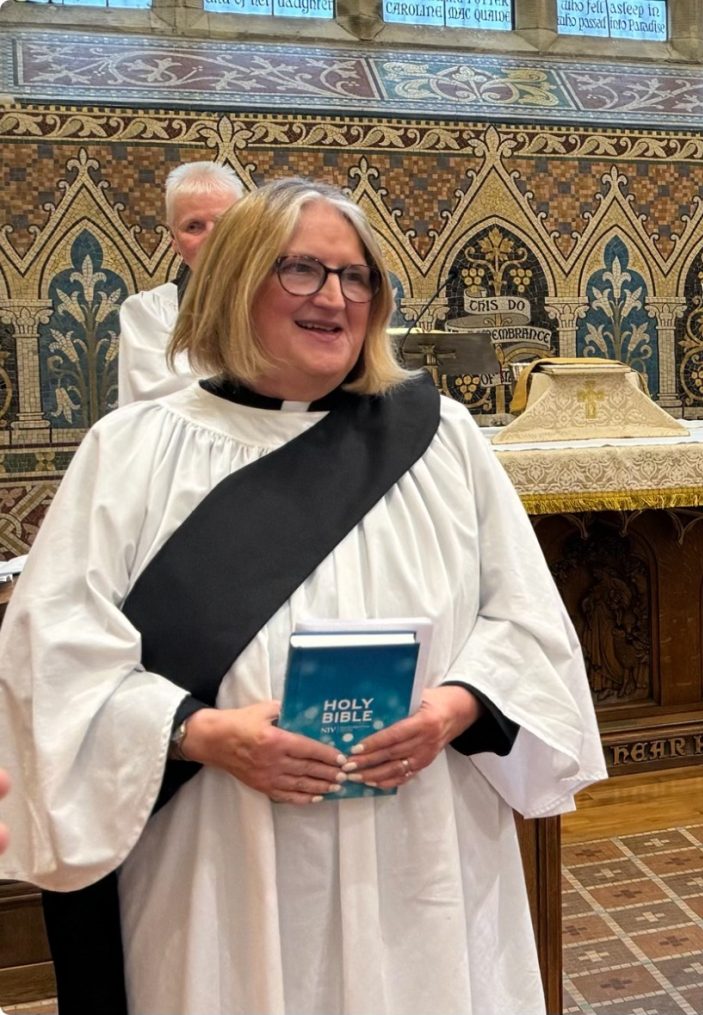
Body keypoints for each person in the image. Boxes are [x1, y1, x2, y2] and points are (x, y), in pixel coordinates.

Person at [0, 178, 606, 1013]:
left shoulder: (440, 439)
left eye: (357, 277)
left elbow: (527, 623)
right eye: (302, 271)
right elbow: (51, 657)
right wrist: (201, 731)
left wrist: (454, 708)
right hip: (219, 853)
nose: (335, 298)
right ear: (234, 280)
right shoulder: (135, 451)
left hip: (417, 842)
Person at [118, 160, 244, 405]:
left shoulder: (280, 300)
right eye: (193, 226)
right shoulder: (150, 311)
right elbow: (164, 401)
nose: (213, 237)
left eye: (225, 223)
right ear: (174, 241)